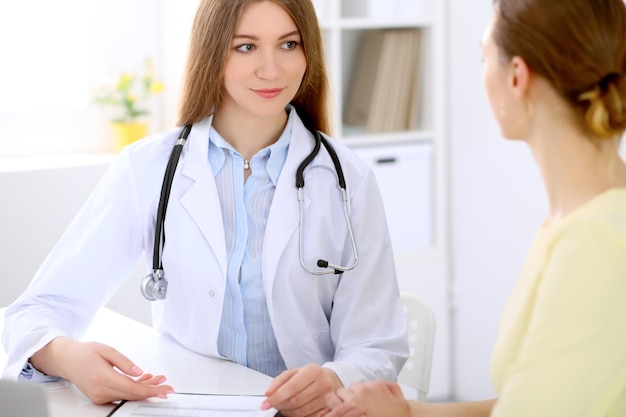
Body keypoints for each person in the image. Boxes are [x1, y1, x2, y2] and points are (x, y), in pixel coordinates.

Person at [1, 1, 409, 416]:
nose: (272, 69)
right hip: (185, 405)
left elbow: (376, 343)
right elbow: (34, 312)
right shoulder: (148, 168)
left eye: (289, 44)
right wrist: (69, 357)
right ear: (212, 51)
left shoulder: (347, 180)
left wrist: (337, 377)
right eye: (246, 47)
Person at [325, 0, 626, 416]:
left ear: (517, 76)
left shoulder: (592, 247)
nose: (481, 72)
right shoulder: (579, 223)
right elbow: (531, 400)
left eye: (484, 56)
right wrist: (410, 413)